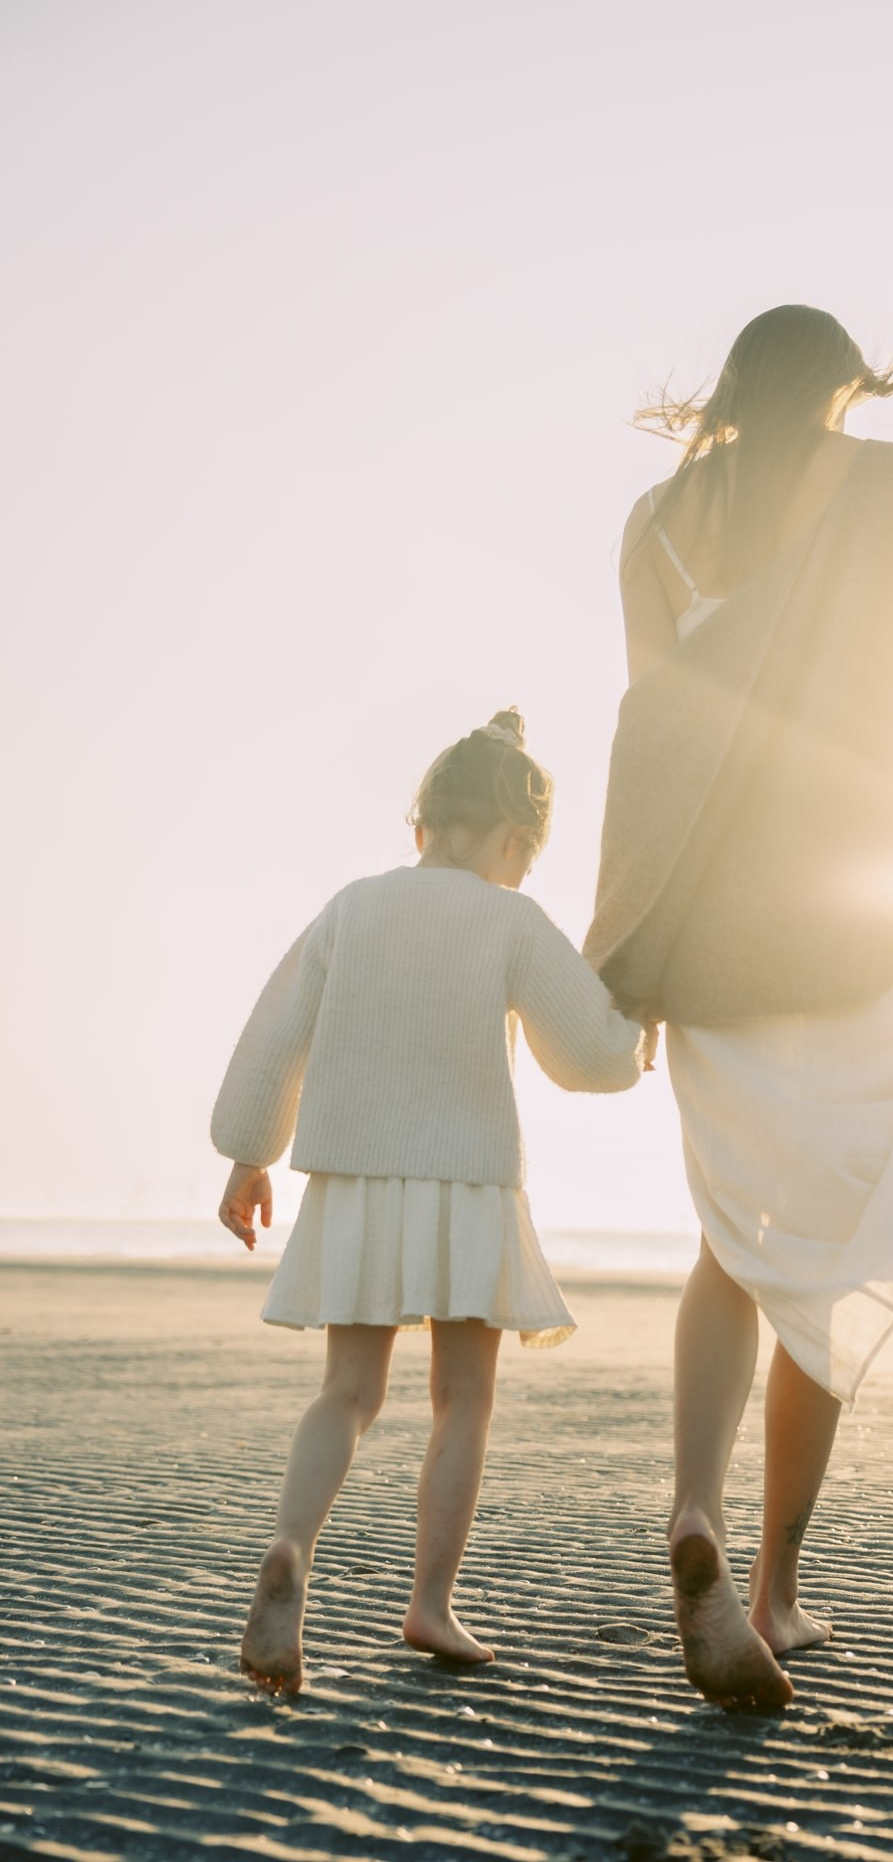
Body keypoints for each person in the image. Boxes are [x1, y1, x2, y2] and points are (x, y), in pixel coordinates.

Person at [585, 305, 893, 1710]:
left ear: (730, 389)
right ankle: (775, 1587)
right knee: (832, 1251)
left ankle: (693, 1510)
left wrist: (634, 954)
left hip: (712, 936)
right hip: (865, 927)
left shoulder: (660, 521)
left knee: (731, 1239)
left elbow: (653, 735)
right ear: (848, 384)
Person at [212, 709, 652, 1694]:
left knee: (348, 1394)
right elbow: (582, 1056)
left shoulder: (352, 908)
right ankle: (430, 1603)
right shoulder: (509, 920)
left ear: (420, 829)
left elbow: (276, 1034)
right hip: (467, 1186)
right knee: (463, 1398)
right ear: (510, 843)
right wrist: (635, 1040)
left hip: (356, 1182)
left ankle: (289, 1549)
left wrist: (248, 1155)